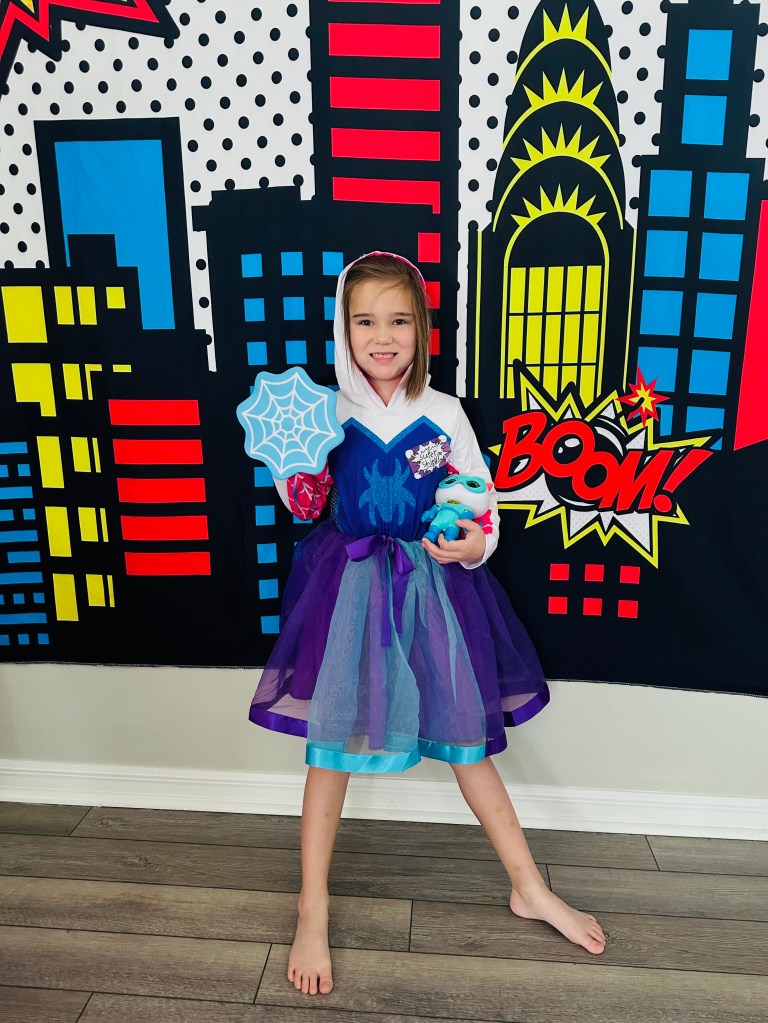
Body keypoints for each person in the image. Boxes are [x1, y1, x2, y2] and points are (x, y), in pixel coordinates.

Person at [248, 252, 606, 996]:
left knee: (467, 740)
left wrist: (476, 543)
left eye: (399, 320)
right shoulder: (326, 414)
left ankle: (528, 885)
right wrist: (300, 483)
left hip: (431, 590)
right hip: (348, 591)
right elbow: (309, 502)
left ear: (422, 328)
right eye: (365, 321)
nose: (383, 336)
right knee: (331, 749)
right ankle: (311, 903)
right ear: (343, 329)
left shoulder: (443, 413)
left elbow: (481, 502)